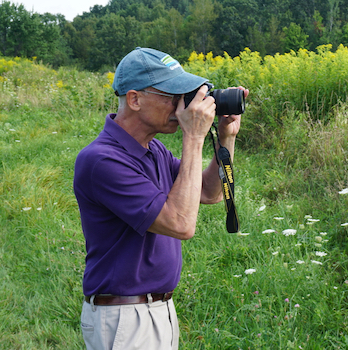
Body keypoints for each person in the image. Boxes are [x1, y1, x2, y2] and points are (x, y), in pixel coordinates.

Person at [73, 47, 248, 350]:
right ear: (135, 99)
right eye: (172, 95)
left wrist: (226, 137)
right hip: (124, 318)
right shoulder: (101, 160)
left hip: (158, 310)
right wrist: (193, 137)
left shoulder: (153, 149)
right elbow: (181, 224)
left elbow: (208, 192)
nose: (182, 105)